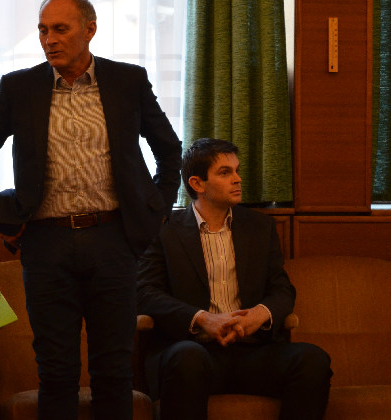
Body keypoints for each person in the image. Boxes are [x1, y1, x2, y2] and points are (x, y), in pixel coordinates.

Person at [0, 0, 182, 419]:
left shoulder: (128, 81)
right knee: (57, 373)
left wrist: (153, 212)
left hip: (114, 240)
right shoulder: (21, 87)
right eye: (43, 30)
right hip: (46, 244)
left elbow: (170, 150)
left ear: (90, 30)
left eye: (60, 29)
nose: (49, 40)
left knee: (113, 372)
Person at [136, 138, 332, 420]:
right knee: (187, 359)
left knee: (313, 360)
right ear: (197, 183)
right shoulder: (165, 231)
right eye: (225, 172)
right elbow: (145, 293)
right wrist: (203, 319)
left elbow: (282, 289)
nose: (238, 179)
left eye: (237, 171)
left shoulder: (260, 227)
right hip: (194, 350)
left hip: (253, 352)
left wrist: (259, 315)